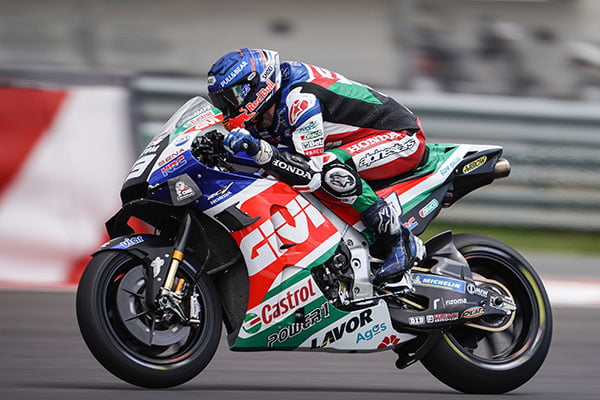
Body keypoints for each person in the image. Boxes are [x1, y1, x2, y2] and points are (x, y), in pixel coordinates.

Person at [207, 48, 426, 286]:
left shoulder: (300, 98)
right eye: (221, 101)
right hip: (352, 142)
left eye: (232, 97)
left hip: (400, 136)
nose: (227, 108)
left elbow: (309, 173)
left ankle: (400, 239)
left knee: (327, 168)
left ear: (256, 86)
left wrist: (257, 150)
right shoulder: (266, 108)